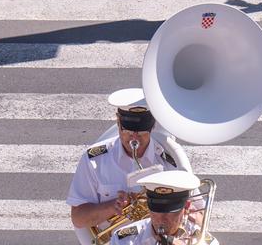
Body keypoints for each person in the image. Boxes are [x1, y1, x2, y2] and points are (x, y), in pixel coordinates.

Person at [67, 88, 189, 239]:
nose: (134, 136)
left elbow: (196, 212)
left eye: (141, 130)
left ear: (152, 125)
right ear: (118, 121)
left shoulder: (172, 160)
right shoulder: (95, 160)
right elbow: (78, 218)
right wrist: (112, 207)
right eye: (128, 129)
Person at [123, 170, 206, 243]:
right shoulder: (126, 240)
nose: (161, 219)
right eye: (156, 210)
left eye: (169, 212)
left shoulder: (201, 240)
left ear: (187, 206)